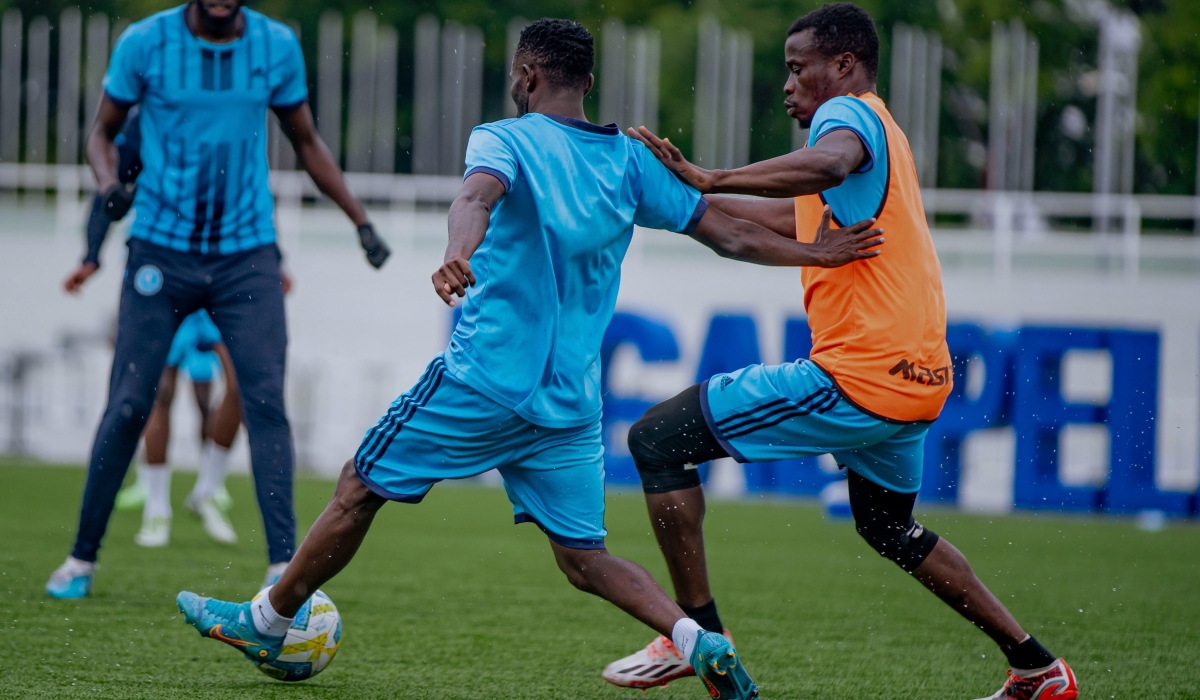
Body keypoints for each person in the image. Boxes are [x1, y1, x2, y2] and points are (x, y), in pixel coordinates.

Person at [174, 18, 882, 698]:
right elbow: (725, 234)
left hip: (484, 378)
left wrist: (457, 252)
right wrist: (812, 254)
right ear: (589, 80)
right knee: (584, 558)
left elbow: (475, 197)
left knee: (360, 483)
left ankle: (268, 622)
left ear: (527, 73)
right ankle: (696, 639)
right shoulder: (631, 159)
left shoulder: (505, 138)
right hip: (568, 403)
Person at [602, 5, 1078, 700]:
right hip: (920, 382)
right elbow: (765, 219)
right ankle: (1037, 667)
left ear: (844, 67)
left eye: (798, 69)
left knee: (655, 439)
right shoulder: (879, 140)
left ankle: (698, 636)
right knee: (888, 526)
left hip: (862, 375)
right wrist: (679, 198)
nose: (789, 86)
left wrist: (712, 176)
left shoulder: (846, 118)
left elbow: (822, 161)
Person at [46, 0, 389, 601]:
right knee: (130, 403)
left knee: (264, 401)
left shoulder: (275, 45)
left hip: (245, 257)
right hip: (159, 251)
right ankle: (80, 559)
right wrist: (106, 191)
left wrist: (358, 219)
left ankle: (282, 566)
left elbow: (305, 140)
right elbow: (103, 133)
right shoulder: (144, 42)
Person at [115, 309, 245, 547]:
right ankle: (156, 510)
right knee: (161, 393)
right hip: (177, 302)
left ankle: (208, 491)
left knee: (238, 387)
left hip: (217, 301)